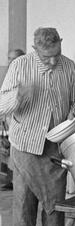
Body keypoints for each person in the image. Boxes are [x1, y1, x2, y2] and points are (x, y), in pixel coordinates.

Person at [0, 27, 75, 226]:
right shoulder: (20, 66)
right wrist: (18, 96)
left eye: (57, 53)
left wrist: (72, 114)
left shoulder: (68, 66)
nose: (54, 60)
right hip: (25, 143)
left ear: (61, 44)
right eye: (47, 57)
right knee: (25, 200)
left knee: (55, 198)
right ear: (36, 49)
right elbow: (2, 105)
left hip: (55, 143)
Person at [0, 48, 26, 191]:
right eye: (9, 58)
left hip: (21, 120)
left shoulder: (25, 75)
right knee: (7, 150)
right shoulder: (8, 75)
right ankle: (10, 181)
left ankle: (16, 182)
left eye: (14, 58)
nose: (10, 62)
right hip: (9, 119)